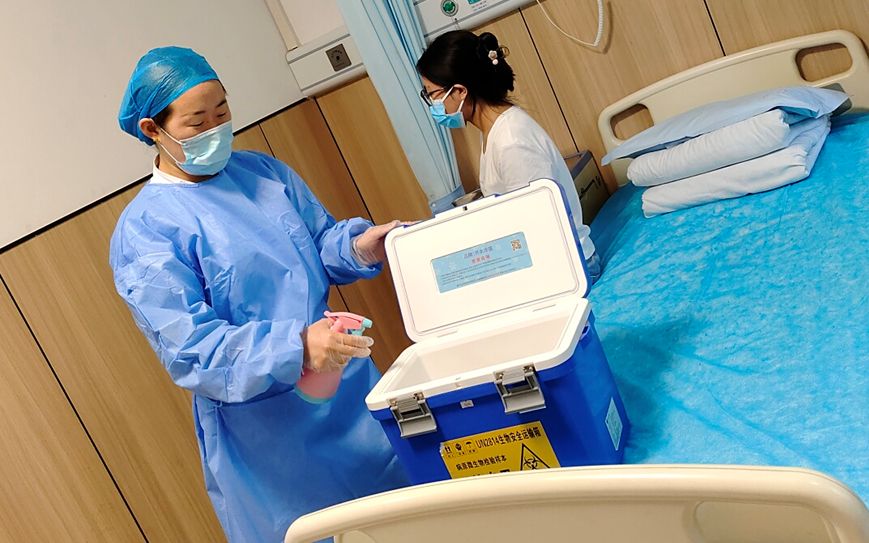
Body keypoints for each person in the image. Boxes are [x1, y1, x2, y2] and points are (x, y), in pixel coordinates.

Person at [110, 46, 409, 542]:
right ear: (153, 130)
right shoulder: (146, 231)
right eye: (197, 122)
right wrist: (296, 347)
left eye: (222, 111)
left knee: (407, 516)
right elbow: (192, 350)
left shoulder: (263, 174)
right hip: (269, 434)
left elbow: (317, 242)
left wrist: (358, 246)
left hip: (347, 396)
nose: (216, 128)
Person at [417, 30, 602, 283]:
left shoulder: (511, 142)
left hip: (573, 267)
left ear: (459, 91)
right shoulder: (494, 129)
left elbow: (540, 228)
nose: (432, 104)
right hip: (556, 260)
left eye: (432, 94)